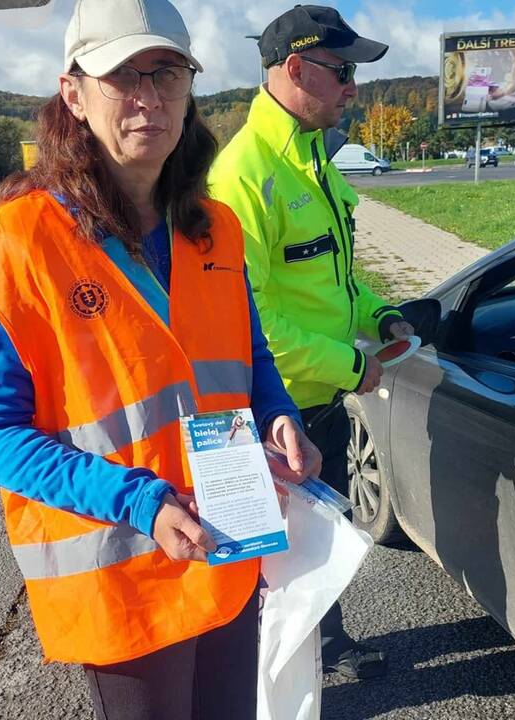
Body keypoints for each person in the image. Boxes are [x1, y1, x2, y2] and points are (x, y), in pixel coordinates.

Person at [0, 0, 320, 718]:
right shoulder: (21, 245)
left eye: (167, 72)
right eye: (122, 75)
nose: (148, 97)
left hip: (229, 551)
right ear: (74, 95)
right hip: (123, 583)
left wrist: (278, 418)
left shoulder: (217, 229)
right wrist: (138, 501)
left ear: (189, 90)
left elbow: (250, 357)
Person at [209, 4, 414, 680]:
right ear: (295, 68)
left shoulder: (312, 158)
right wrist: (353, 365)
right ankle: (270, 681)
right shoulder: (246, 173)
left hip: (318, 400)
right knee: (265, 570)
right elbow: (252, 320)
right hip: (269, 417)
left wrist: (381, 315)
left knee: (314, 548)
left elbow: (336, 280)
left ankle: (324, 649)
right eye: (343, 70)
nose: (354, 87)